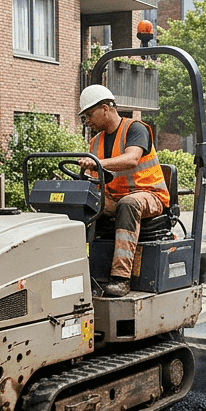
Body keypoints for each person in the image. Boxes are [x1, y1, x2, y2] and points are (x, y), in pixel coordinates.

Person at [76, 84, 170, 297]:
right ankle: (80, 271)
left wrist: (97, 163)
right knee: (82, 201)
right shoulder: (95, 141)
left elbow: (132, 159)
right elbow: (95, 179)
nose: (87, 121)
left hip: (149, 195)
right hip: (115, 197)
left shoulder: (136, 129)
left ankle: (120, 278)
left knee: (129, 204)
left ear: (105, 108)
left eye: (89, 115)